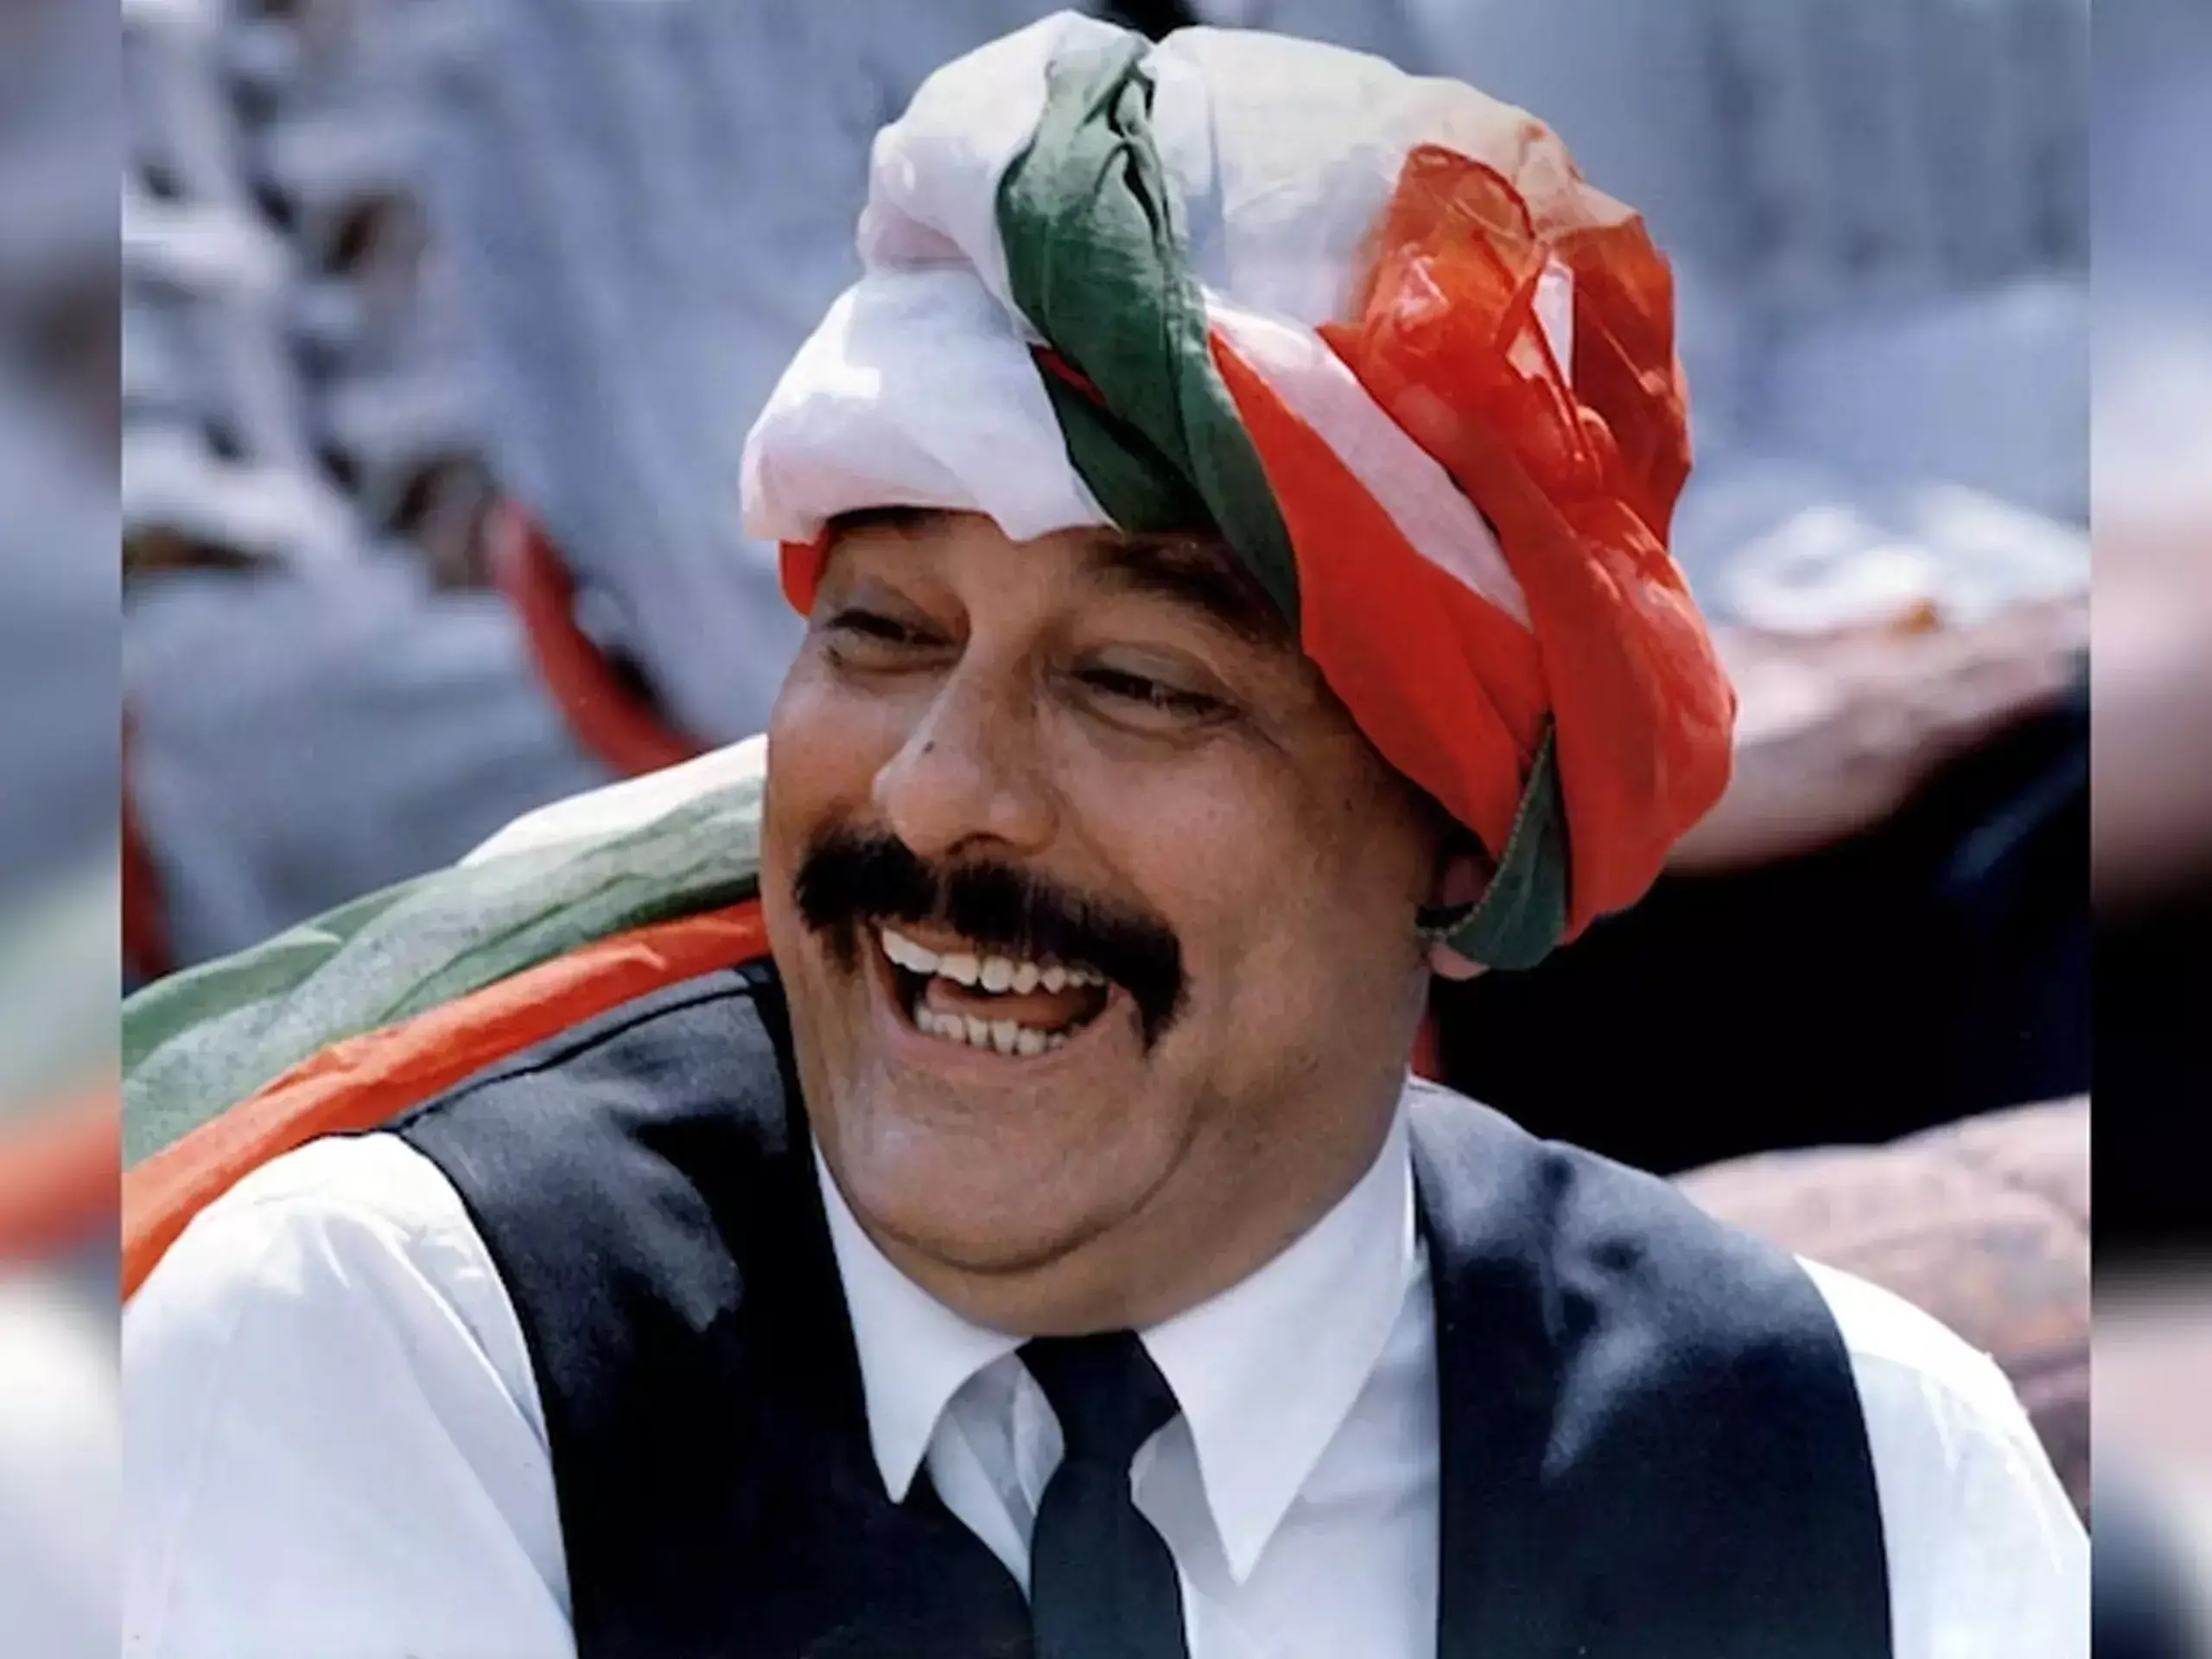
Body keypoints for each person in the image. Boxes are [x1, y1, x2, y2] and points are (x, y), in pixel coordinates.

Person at [123, 16, 2086, 1657]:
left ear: (1454, 836)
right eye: (878, 635)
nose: (931, 789)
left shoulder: (1860, 1476)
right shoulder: (406, 1352)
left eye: (1139, 683)